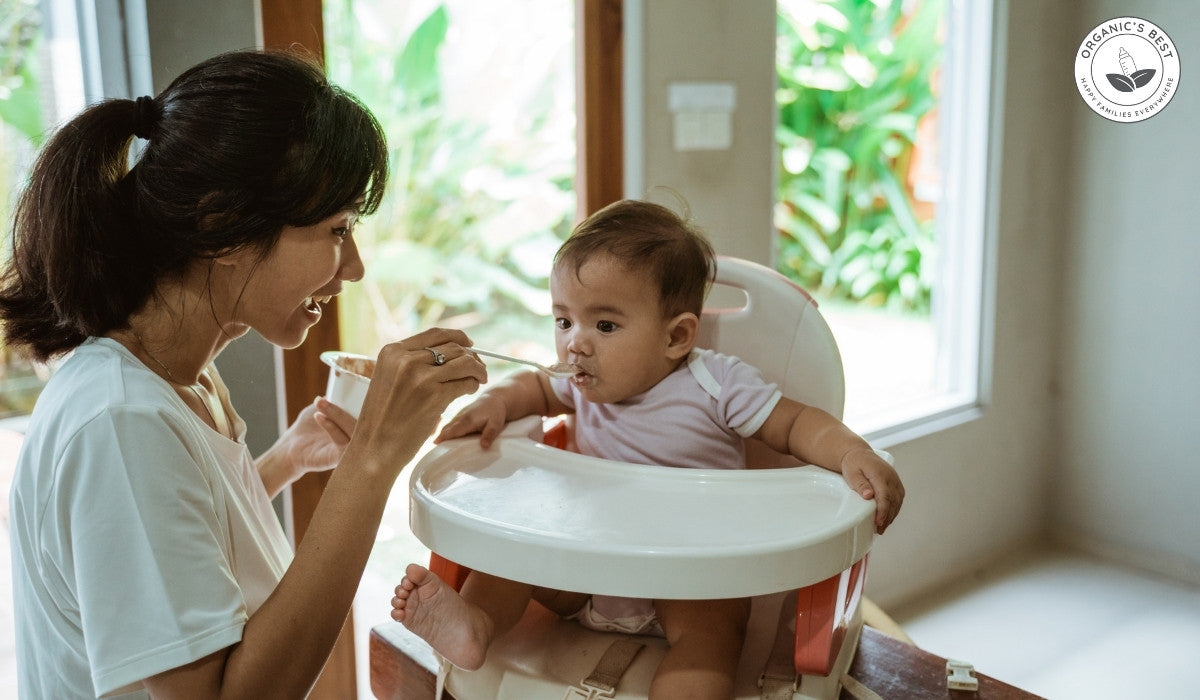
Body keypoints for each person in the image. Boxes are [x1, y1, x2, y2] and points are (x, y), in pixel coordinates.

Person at [0, 49, 487, 699]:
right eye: (337, 230)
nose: (355, 268)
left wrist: (282, 462)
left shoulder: (182, 379)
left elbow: (175, 555)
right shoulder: (122, 422)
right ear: (221, 227)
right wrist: (373, 461)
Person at [391, 198, 905, 699]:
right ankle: (474, 627)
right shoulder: (581, 384)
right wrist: (499, 402)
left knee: (712, 636)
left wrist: (850, 452)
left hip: (690, 581)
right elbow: (536, 388)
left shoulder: (715, 384)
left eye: (605, 325)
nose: (575, 344)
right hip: (583, 567)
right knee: (506, 562)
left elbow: (796, 425)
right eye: (564, 320)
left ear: (677, 336)